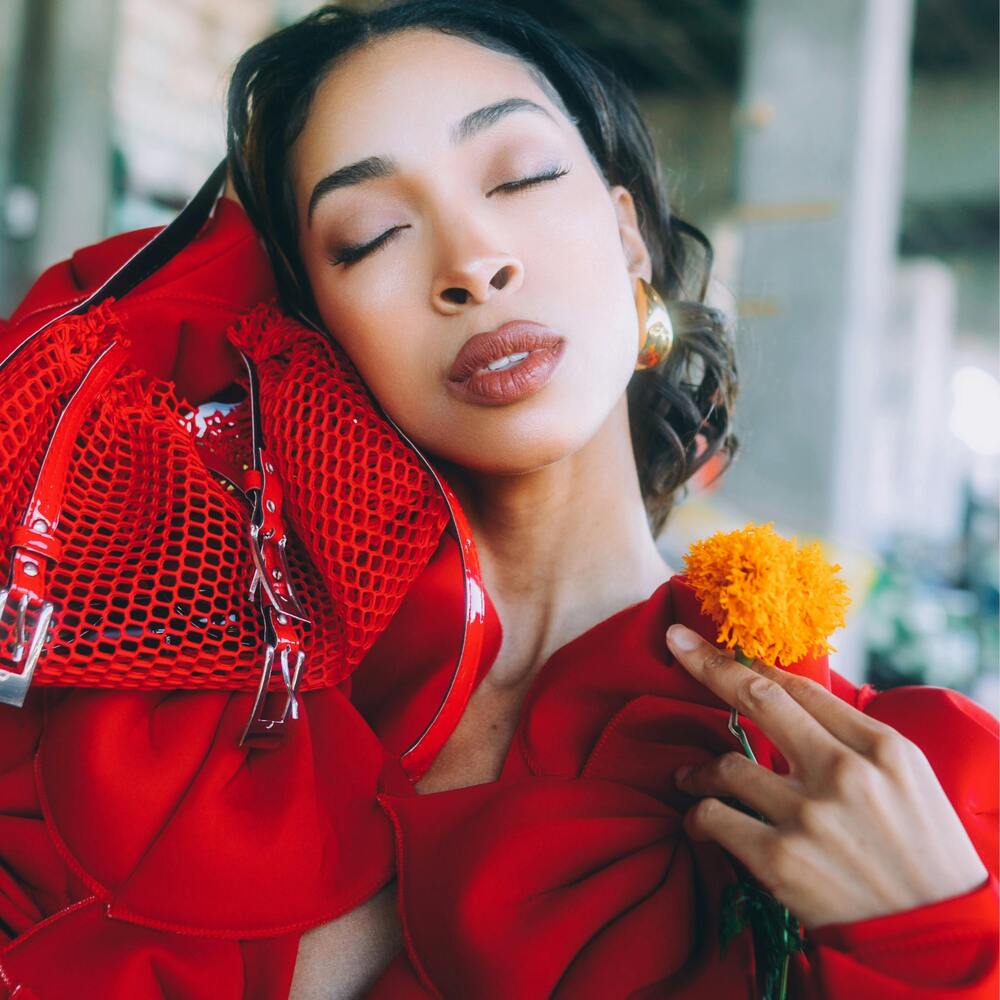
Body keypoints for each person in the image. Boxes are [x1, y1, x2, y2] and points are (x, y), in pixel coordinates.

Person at [0, 2, 996, 998]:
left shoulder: (911, 795)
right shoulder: (163, 713)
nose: (472, 264)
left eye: (518, 178)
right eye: (370, 235)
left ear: (627, 236)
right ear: (316, 329)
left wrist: (933, 947)